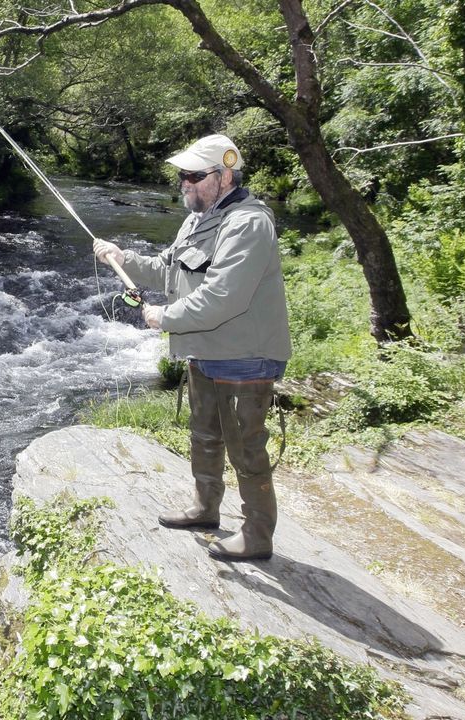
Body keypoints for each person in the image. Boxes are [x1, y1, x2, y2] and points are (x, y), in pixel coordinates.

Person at [93, 134, 292, 561]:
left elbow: (224, 297)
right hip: (205, 350)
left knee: (246, 448)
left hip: (246, 358)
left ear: (223, 176)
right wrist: (123, 258)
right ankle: (205, 509)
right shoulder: (197, 218)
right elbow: (168, 270)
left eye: (193, 176)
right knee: (204, 436)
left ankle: (257, 535)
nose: (183, 182)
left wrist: (165, 318)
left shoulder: (249, 224)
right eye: (182, 175)